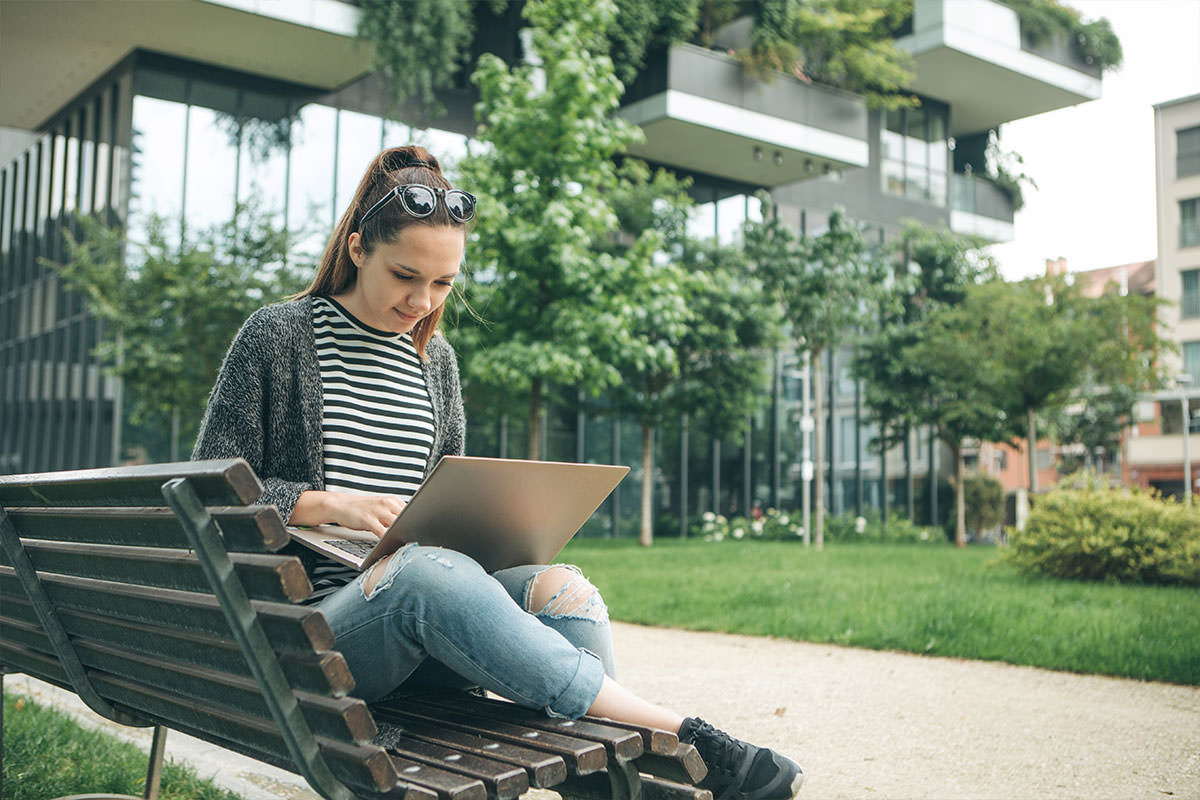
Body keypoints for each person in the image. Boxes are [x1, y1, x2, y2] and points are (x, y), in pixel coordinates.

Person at [193, 145, 804, 800]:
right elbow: (203, 488)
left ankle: (606, 783)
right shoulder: (278, 337)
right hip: (314, 634)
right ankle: (678, 735)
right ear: (356, 247)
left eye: (443, 283)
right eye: (406, 275)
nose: (422, 300)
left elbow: (448, 501)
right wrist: (324, 504)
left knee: (563, 590)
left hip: (425, 623)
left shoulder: (437, 363)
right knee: (424, 574)